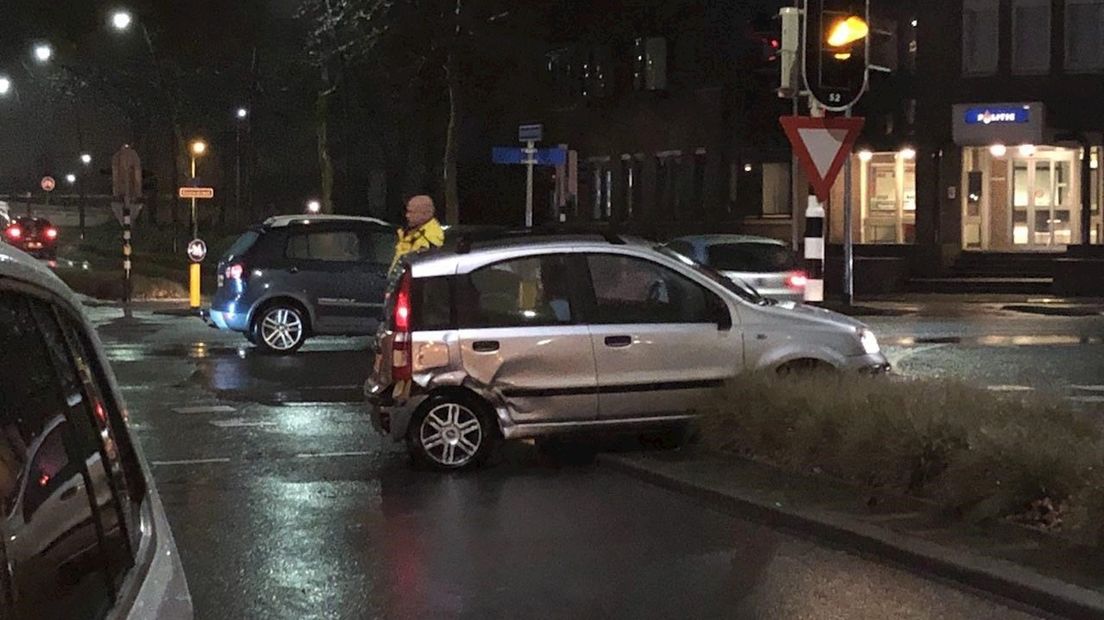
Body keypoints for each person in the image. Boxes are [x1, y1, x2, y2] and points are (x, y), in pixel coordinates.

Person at [391, 195, 445, 271]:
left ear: (424, 214)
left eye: (411, 212)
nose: (407, 216)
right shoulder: (414, 231)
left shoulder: (429, 238)